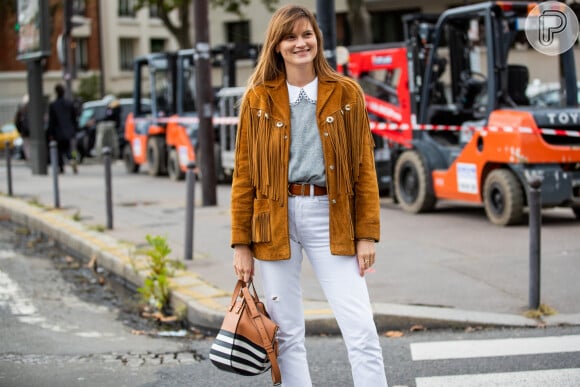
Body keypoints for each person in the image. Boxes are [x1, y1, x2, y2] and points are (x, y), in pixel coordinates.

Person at [230, 5, 388, 387]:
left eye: (307, 34)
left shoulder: (346, 92)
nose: (300, 43)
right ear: (277, 46)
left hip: (330, 217)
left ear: (317, 39)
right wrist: (241, 244)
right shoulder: (258, 98)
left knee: (361, 327)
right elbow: (244, 176)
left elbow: (364, 169)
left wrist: (366, 234)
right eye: (290, 36)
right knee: (284, 335)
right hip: (273, 221)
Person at [47, 84, 78, 173]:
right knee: (71, 149)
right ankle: (73, 160)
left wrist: (51, 133)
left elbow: (52, 121)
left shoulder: (53, 105)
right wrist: (74, 129)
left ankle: (61, 166)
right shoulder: (69, 103)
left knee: (60, 151)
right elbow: (74, 118)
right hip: (70, 131)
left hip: (58, 132)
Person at [14, 94, 30, 160]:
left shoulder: (21, 111)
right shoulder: (28, 111)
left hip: (25, 132)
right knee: (27, 145)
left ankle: (29, 157)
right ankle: (29, 157)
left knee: (27, 145)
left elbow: (17, 122)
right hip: (27, 132)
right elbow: (17, 122)